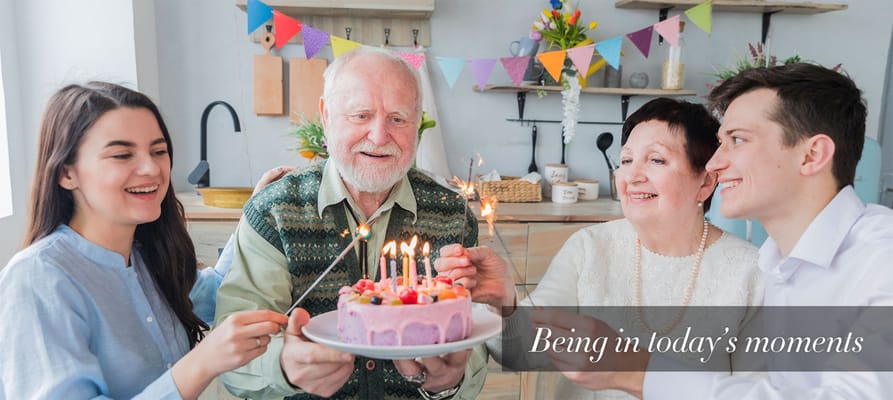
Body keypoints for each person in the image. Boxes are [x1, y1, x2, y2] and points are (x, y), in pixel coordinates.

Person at [438, 98, 764, 399]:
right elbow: (522, 353)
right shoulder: (589, 248)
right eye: (626, 160)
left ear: (706, 182)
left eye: (656, 159)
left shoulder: (751, 272)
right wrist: (504, 303)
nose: (632, 175)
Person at [214, 46, 488, 399]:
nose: (378, 136)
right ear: (327, 116)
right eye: (361, 115)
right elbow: (233, 354)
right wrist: (285, 367)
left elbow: (472, 336)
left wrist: (449, 381)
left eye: (398, 118)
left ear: (418, 124)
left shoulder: (453, 215)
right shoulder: (275, 211)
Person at [0, 82, 288, 399]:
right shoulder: (37, 279)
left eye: (159, 151)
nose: (151, 168)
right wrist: (203, 362)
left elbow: (219, 293)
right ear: (67, 173)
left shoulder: (149, 256)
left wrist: (256, 212)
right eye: (122, 155)